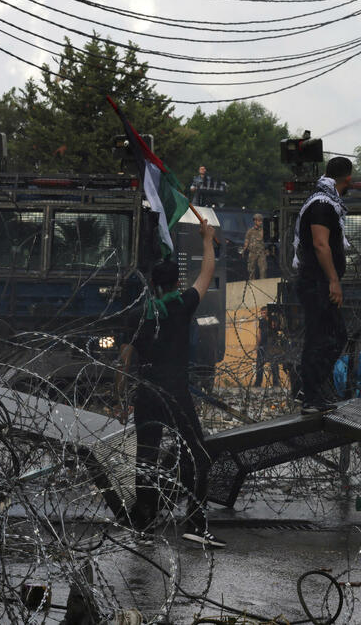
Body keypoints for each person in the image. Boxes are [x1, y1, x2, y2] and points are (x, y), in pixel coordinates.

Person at [118, 219, 226, 548]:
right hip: (175, 391)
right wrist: (207, 240)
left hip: (148, 390)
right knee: (198, 453)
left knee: (146, 457)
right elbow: (207, 273)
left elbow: (124, 359)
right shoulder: (182, 306)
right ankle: (196, 521)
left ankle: (145, 524)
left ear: (151, 283)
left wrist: (121, 395)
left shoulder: (140, 314)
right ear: (177, 283)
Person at [293, 156, 353, 414]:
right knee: (325, 338)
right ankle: (310, 394)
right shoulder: (322, 204)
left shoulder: (325, 201)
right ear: (347, 178)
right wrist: (333, 281)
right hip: (317, 283)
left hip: (318, 282)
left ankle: (312, 391)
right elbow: (320, 244)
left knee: (328, 337)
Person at [253, 307, 280, 387]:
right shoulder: (261, 321)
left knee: (274, 364)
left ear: (268, 312)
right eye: (261, 313)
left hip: (272, 344)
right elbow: (259, 333)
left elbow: (274, 327)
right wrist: (257, 345)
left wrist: (269, 319)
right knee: (259, 364)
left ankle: (276, 383)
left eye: (264, 313)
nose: (262, 315)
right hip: (263, 345)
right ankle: (258, 383)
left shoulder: (273, 319)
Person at [242, 213, 267, 280]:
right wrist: (244, 250)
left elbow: (267, 241)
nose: (260, 222)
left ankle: (263, 283)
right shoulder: (250, 231)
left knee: (263, 269)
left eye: (261, 221)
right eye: (259, 221)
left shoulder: (264, 231)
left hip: (261, 252)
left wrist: (267, 250)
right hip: (252, 252)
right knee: (251, 269)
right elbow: (246, 241)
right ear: (255, 221)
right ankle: (252, 283)